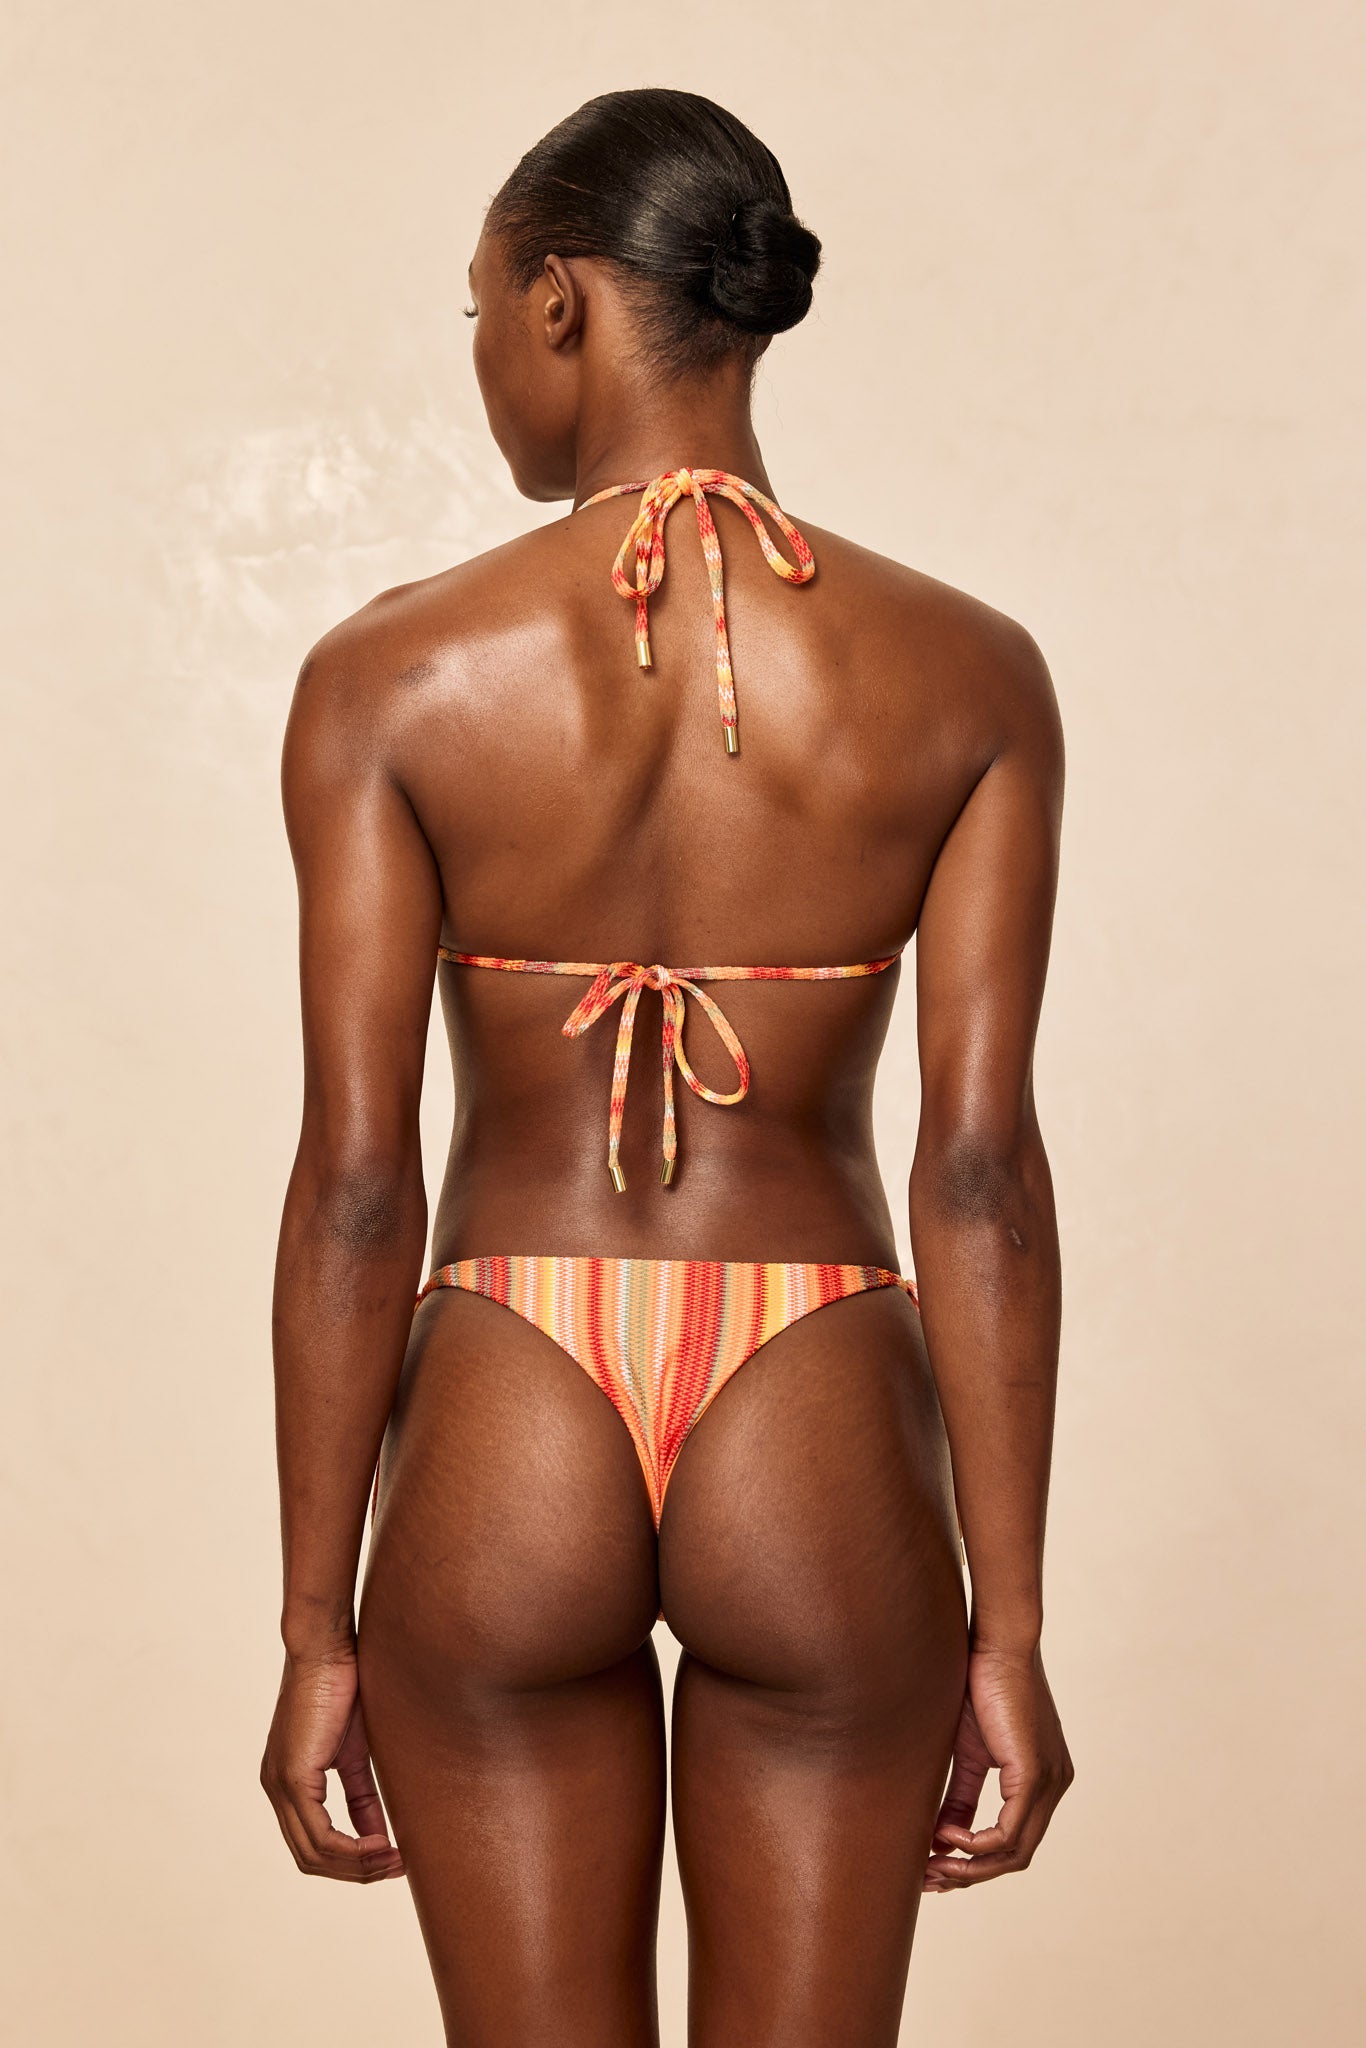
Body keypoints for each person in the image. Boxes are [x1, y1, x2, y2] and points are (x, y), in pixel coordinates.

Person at [260, 86, 1073, 2048]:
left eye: (479, 311)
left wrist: (313, 1626)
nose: (482, 357)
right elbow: (976, 1171)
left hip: (507, 1383)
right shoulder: (968, 672)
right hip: (816, 1384)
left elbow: (358, 1182)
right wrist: (1010, 1627)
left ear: (557, 302)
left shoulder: (391, 676)